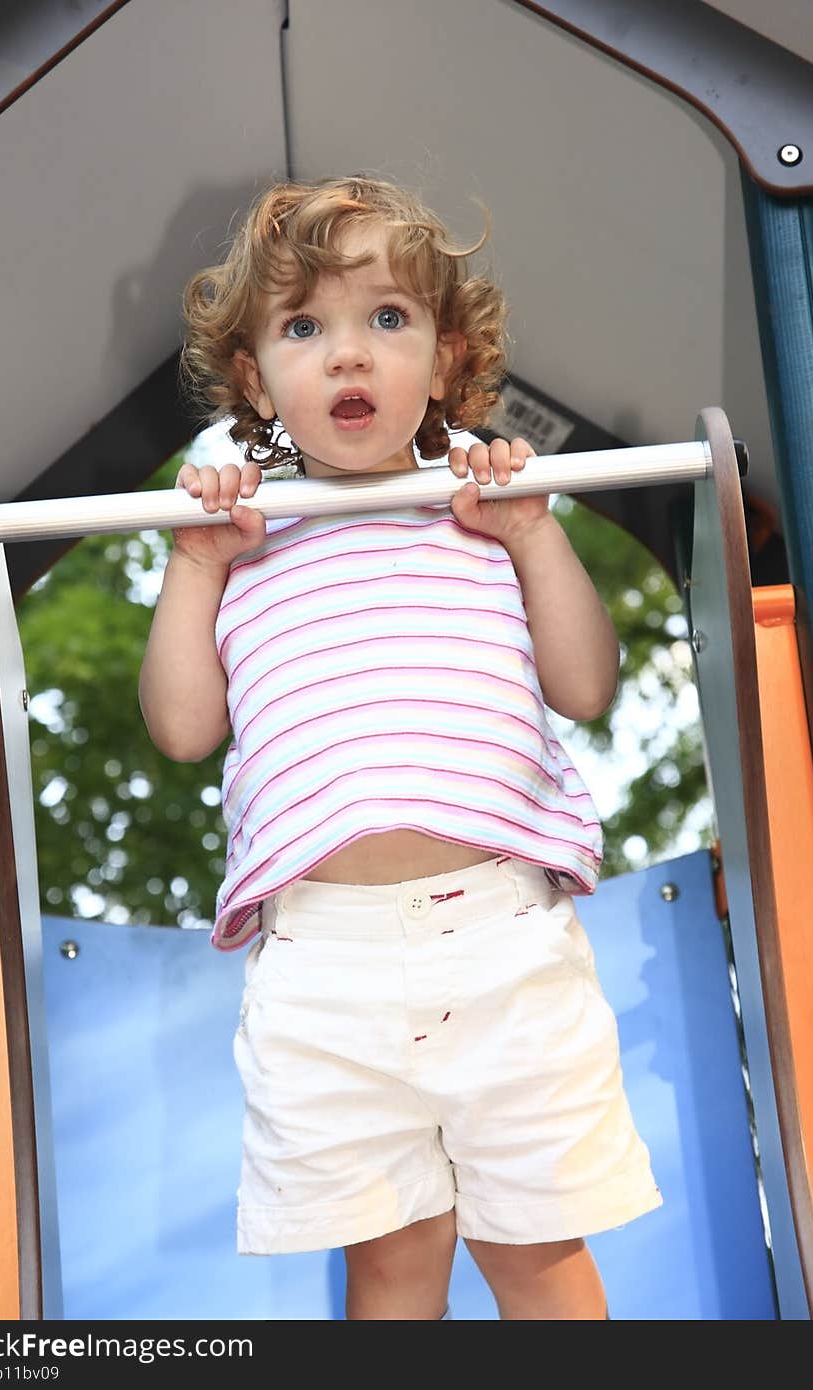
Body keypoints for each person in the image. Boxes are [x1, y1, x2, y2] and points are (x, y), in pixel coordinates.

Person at [139, 176, 661, 1320]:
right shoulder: (241, 544)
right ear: (253, 380)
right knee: (390, 1263)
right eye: (303, 327)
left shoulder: (481, 517)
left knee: (535, 1253)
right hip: (325, 967)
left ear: (446, 355)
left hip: (501, 941)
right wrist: (190, 564)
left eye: (386, 319)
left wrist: (532, 534)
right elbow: (182, 729)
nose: (346, 356)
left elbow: (584, 684)